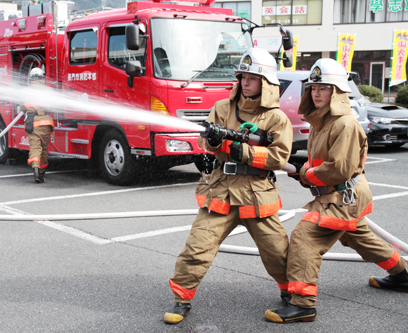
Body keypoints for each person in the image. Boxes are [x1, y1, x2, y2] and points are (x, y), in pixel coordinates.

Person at [264, 58, 408, 324]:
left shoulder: (344, 124)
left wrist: (306, 174)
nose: (316, 93)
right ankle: (403, 275)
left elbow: (340, 169)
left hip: (343, 197)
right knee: (359, 238)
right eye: (314, 88)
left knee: (305, 239)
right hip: (342, 194)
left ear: (338, 92)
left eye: (324, 88)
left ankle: (303, 304)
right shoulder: (323, 122)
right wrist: (305, 169)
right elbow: (323, 163)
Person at [164, 48, 294, 324]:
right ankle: (181, 300)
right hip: (221, 190)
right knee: (197, 247)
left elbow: (278, 157)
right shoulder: (222, 108)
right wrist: (212, 140)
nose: (246, 82)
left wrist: (244, 152)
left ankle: (290, 293)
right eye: (243, 76)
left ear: (266, 83)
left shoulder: (276, 118)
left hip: (257, 194)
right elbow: (206, 145)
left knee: (277, 251)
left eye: (253, 77)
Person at [22, 67, 55, 183]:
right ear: (42, 77)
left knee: (35, 147)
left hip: (32, 122)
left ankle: (36, 170)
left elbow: (22, 107)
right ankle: (41, 173)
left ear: (31, 78)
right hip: (46, 122)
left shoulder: (25, 91)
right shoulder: (49, 90)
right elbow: (53, 106)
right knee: (44, 148)